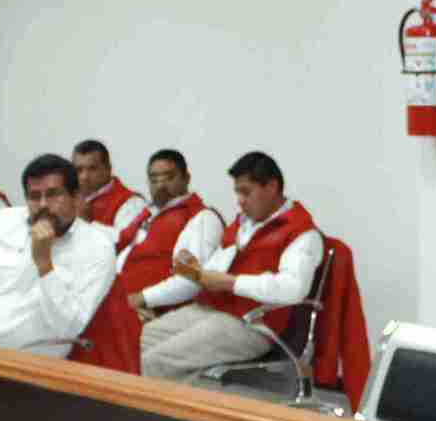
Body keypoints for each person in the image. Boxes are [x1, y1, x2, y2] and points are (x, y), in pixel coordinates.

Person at [138, 151, 324, 379]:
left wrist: (231, 283)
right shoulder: (244, 224)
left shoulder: (302, 234)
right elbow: (217, 269)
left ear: (271, 187)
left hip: (251, 325)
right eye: (238, 192)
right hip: (209, 310)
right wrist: (194, 270)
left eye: (246, 192)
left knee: (154, 363)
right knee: (128, 345)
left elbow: (293, 289)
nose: (240, 200)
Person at [0, 153, 116, 356]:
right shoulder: (2, 222)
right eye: (35, 197)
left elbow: (69, 327)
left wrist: (44, 265)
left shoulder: (97, 248)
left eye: (53, 195)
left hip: (30, 364)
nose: (44, 205)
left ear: (75, 197)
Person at [117, 148, 224, 314]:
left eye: (169, 177)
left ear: (186, 178)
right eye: (154, 179)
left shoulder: (201, 218)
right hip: (119, 303)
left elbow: (192, 279)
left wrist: (141, 298)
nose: (160, 185)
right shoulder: (146, 215)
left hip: (157, 312)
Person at [72, 139, 147, 241]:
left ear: (108, 168)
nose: (84, 176)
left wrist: (88, 223)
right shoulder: (66, 197)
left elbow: (129, 241)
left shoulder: (131, 203)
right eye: (78, 170)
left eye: (92, 169)